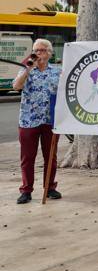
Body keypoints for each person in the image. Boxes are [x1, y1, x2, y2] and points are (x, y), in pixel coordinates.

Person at [14, 39, 61, 204]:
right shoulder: (26, 69)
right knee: (27, 157)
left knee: (51, 156)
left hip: (50, 120)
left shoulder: (57, 72)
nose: (38, 53)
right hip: (28, 120)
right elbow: (16, 86)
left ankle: (50, 187)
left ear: (49, 53)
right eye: (35, 50)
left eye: (41, 50)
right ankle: (26, 190)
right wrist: (28, 69)